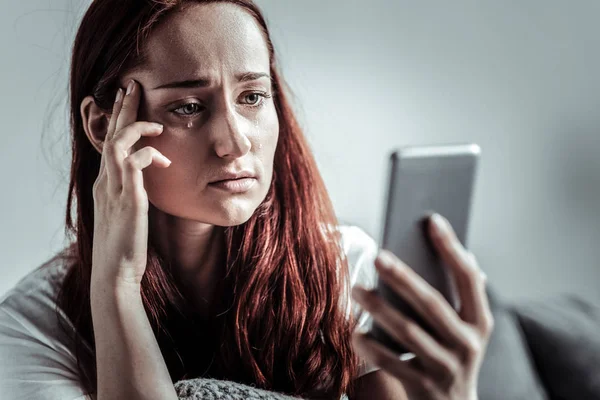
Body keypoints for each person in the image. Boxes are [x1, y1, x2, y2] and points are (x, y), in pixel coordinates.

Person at [0, 1, 494, 399]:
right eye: (189, 107)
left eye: (252, 97)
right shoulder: (33, 328)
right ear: (106, 127)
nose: (234, 142)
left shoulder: (347, 270)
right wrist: (116, 284)